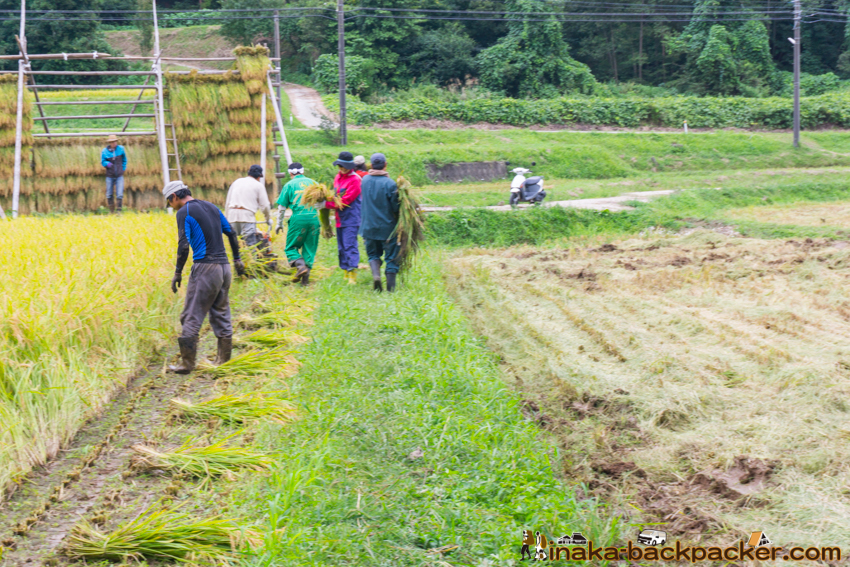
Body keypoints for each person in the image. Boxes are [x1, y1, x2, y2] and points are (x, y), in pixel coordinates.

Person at [163, 181, 245, 374]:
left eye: (169, 201)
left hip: (206, 267)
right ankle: (223, 360)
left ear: (174, 196)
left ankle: (186, 364)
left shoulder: (184, 212)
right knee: (221, 312)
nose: (170, 205)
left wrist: (177, 272)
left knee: (191, 314)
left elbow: (184, 245)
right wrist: (237, 259)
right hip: (225, 268)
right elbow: (231, 233)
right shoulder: (212, 207)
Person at [360, 153, 400, 292]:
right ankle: (390, 289)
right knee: (391, 257)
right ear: (385, 165)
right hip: (387, 228)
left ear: (371, 165)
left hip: (368, 227)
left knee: (373, 254)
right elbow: (396, 207)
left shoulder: (364, 180)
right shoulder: (390, 183)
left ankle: (376, 276)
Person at [275, 162, 320, 286]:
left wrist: (279, 224)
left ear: (290, 173)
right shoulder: (314, 183)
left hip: (298, 219)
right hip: (314, 219)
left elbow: (282, 207)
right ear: (303, 171)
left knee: (291, 247)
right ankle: (305, 282)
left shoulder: (289, 185)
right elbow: (321, 204)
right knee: (309, 248)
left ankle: (300, 266)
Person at [324, 151, 362, 284]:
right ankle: (345, 271)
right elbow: (336, 196)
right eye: (340, 166)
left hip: (351, 218)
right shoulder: (337, 178)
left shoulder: (356, 180)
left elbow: (345, 200)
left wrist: (326, 204)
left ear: (351, 166)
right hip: (340, 218)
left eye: (344, 166)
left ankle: (353, 273)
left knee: (349, 245)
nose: (342, 169)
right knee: (341, 247)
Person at [224, 165, 271, 246]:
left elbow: (228, 202)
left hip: (232, 216)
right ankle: (251, 258)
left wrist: (226, 219)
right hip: (247, 217)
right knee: (250, 244)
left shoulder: (236, 182)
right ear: (259, 176)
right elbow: (265, 205)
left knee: (236, 245)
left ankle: (236, 258)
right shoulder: (258, 185)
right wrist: (268, 219)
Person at [101, 134, 127, 213]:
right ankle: (111, 211)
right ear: (109, 143)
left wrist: (123, 169)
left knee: (119, 194)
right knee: (109, 194)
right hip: (110, 176)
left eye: (115, 141)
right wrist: (107, 164)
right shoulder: (104, 151)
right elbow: (102, 161)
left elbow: (124, 160)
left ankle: (118, 211)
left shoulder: (121, 149)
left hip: (119, 175)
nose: (114, 143)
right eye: (112, 142)